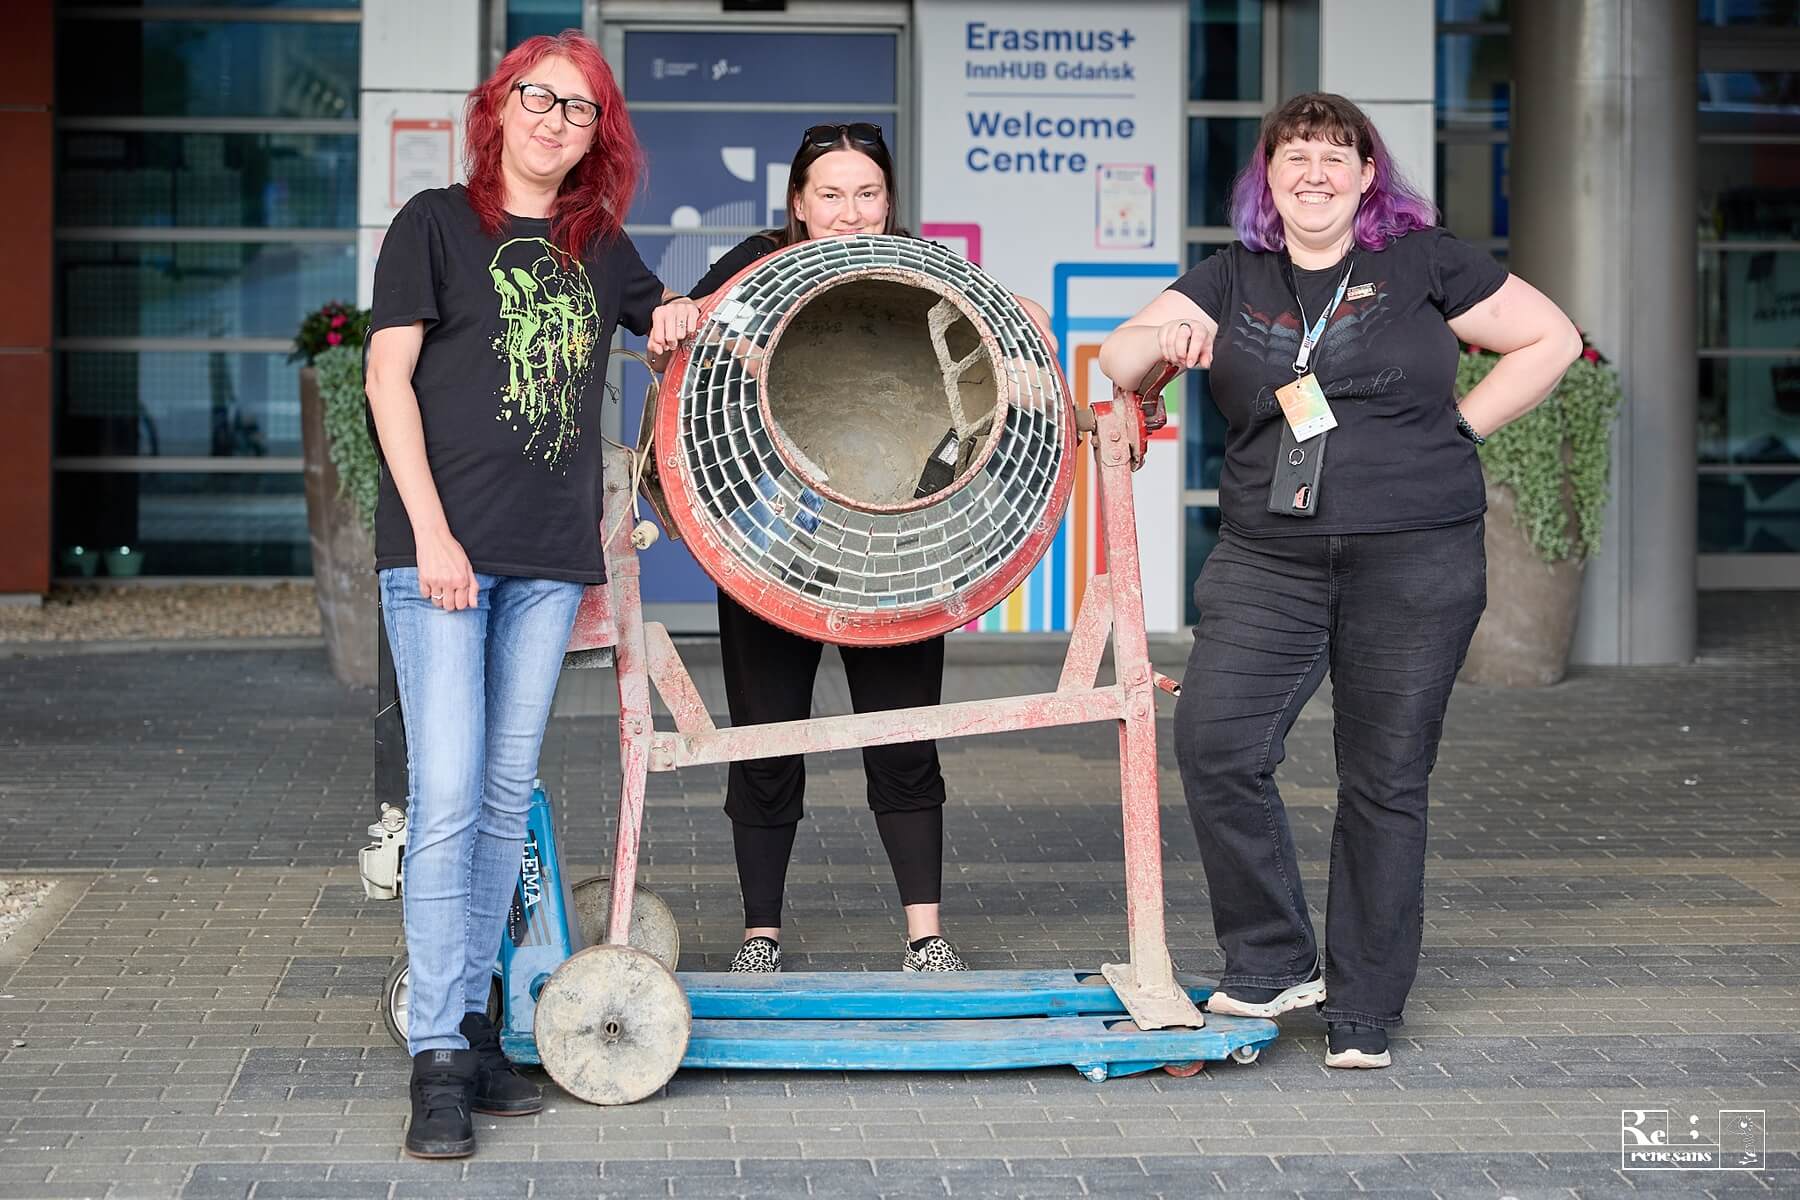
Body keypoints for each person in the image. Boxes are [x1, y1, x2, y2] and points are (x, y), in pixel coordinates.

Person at [1098, 93, 1580, 1070]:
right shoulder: (1233, 276)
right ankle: (1273, 957)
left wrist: (1464, 427)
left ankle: (1365, 1005)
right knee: (1217, 741)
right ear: (1268, 177)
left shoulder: (1424, 262)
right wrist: (1162, 345)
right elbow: (1120, 352)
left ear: (1367, 176)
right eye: (1295, 156)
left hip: (1417, 554)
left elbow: (1552, 338)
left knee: (1384, 777)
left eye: (1335, 156)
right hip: (1268, 556)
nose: (1314, 173)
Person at [364, 32, 699, 1158]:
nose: (557, 121)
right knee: (450, 796)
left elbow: (663, 320)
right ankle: (435, 1058)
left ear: (600, 135)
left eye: (581, 108)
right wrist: (431, 536)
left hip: (550, 558)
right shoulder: (433, 225)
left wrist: (679, 317)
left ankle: (473, 1023)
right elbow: (387, 381)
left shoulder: (597, 244)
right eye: (539, 98)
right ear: (499, 107)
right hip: (443, 557)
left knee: (505, 799)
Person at [684, 122, 1054, 976]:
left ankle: (926, 935)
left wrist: (1023, 321)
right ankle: (760, 935)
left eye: (867, 194)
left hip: (899, 549)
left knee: (904, 735)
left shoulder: (921, 266)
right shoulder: (755, 262)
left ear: (890, 200)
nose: (850, 213)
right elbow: (687, 330)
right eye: (831, 195)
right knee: (765, 738)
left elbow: (1019, 328)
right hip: (770, 545)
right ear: (798, 203)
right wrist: (711, 327)